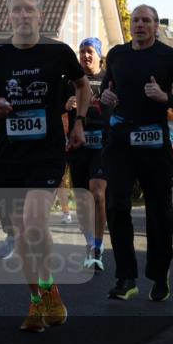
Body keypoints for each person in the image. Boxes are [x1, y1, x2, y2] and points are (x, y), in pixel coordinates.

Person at [0, 0, 89, 332]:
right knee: (22, 233)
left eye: (29, 10)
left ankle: (47, 290)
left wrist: (78, 123)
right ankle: (39, 301)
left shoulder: (58, 52)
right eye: (17, 10)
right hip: (10, 156)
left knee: (35, 221)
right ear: (10, 17)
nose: (23, 15)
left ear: (40, 16)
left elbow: (83, 87)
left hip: (47, 153)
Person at [101, 5, 173, 301]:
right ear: (130, 25)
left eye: (146, 21)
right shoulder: (117, 55)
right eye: (135, 20)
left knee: (159, 214)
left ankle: (159, 274)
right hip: (120, 142)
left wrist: (165, 97)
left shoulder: (169, 57)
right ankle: (126, 277)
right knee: (117, 206)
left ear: (156, 26)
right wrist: (104, 97)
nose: (140, 25)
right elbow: (108, 92)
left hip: (155, 142)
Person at [65, 37, 109, 271]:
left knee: (98, 193)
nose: (85, 56)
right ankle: (89, 242)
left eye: (90, 51)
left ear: (99, 55)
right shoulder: (71, 81)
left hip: (102, 144)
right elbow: (55, 107)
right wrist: (66, 104)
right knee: (82, 200)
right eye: (81, 52)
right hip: (78, 145)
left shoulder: (110, 79)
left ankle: (98, 246)